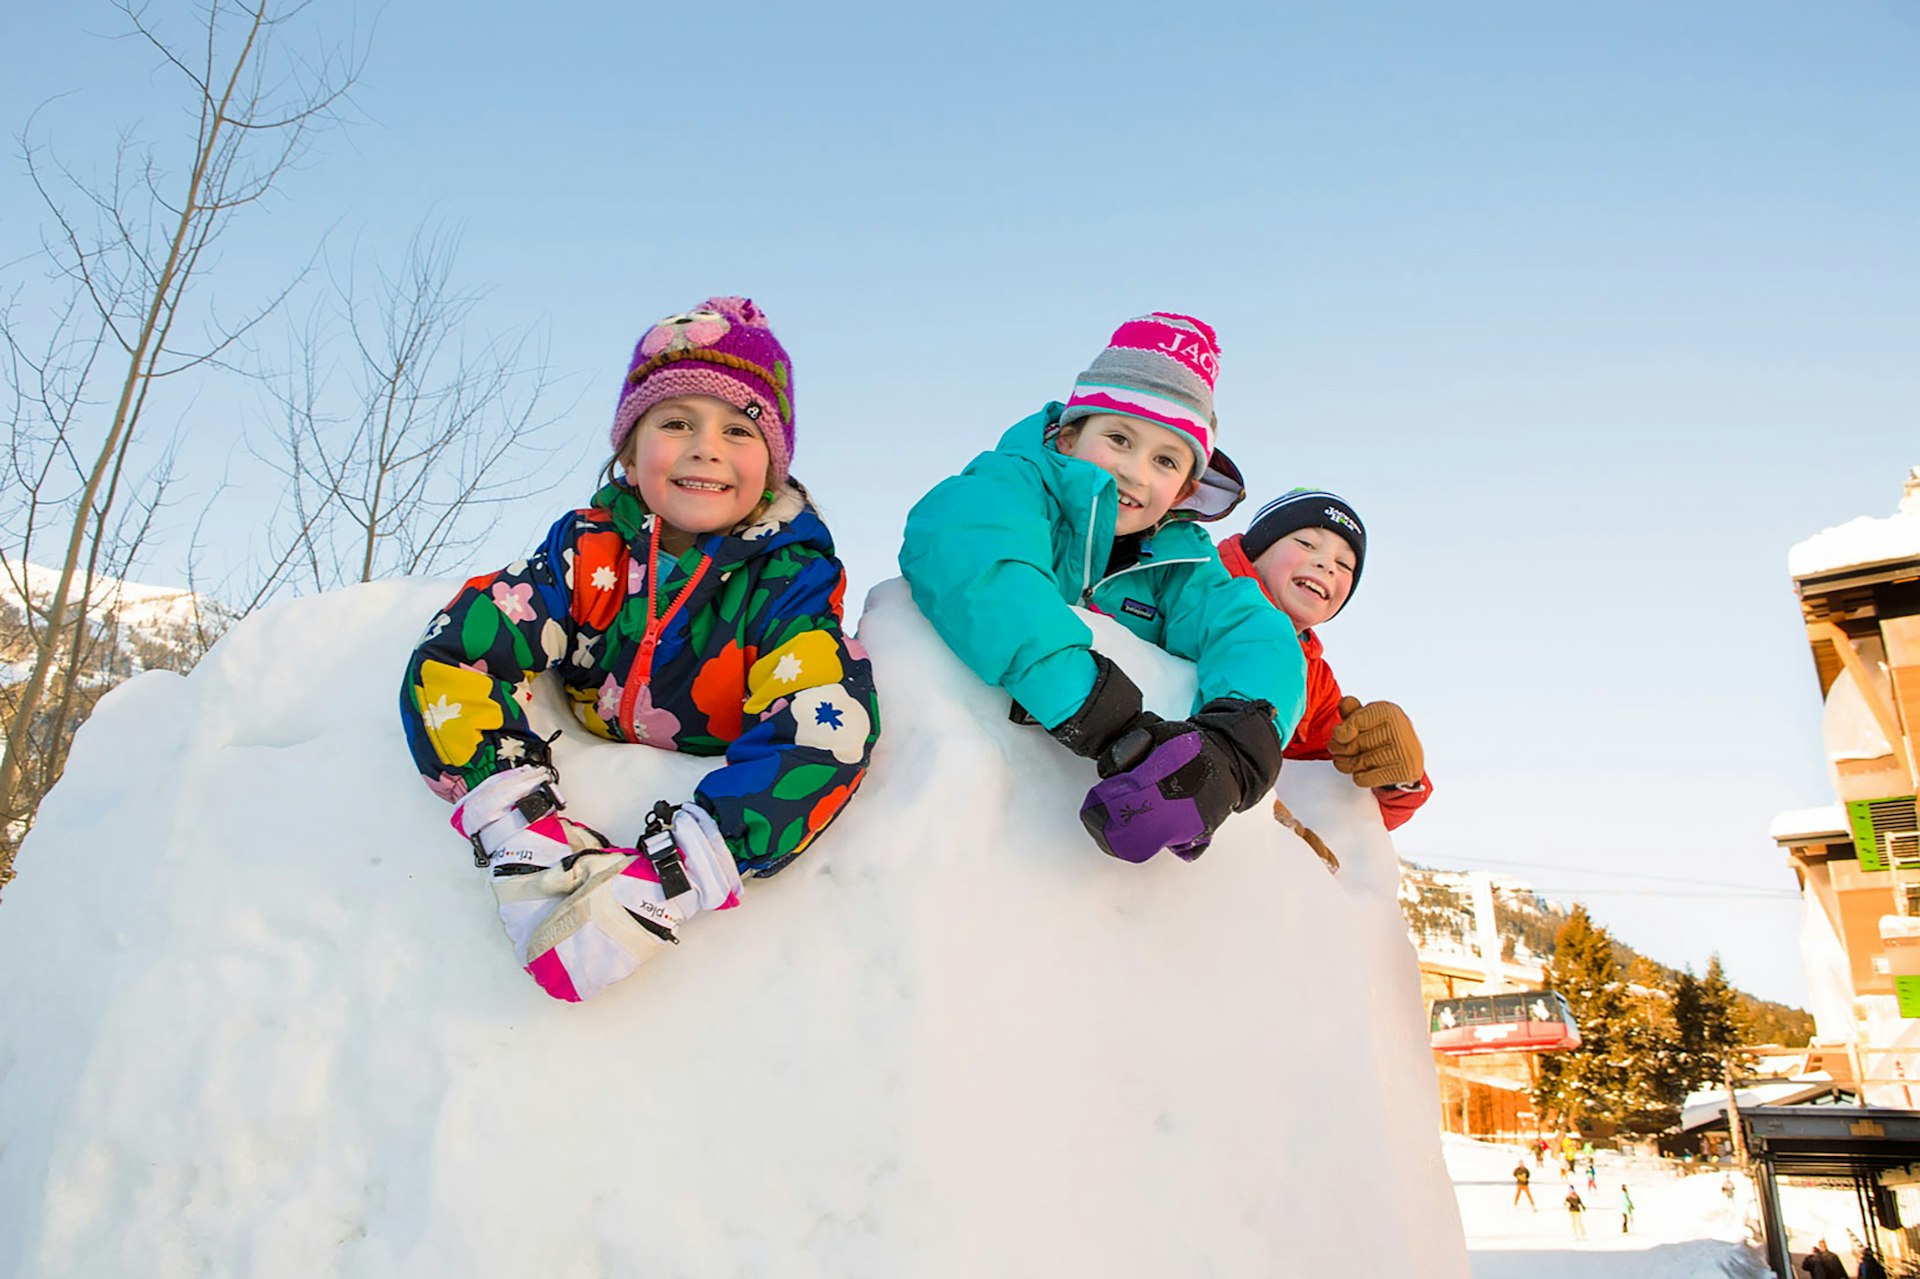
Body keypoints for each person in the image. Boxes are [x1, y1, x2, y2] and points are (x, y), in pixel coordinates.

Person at [400, 297, 879, 1002]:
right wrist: (518, 825)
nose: (705, 447)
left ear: (774, 464)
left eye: (738, 429)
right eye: (676, 421)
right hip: (552, 801)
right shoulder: (587, 551)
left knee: (836, 718)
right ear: (629, 446)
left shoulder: (786, 580)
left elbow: (821, 721)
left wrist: (675, 868)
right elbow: (462, 653)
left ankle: (665, 879)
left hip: (706, 807)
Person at [899, 313, 1305, 863]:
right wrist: (1110, 722)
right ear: (1068, 435)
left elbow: (1255, 631)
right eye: (1118, 438)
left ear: (1186, 488)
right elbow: (980, 564)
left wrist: (1235, 745)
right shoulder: (1012, 486)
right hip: (947, 800)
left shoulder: (1181, 564)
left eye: (1165, 459)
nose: (1136, 472)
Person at [1217, 489, 1433, 830]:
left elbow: (1344, 810)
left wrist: (1399, 778)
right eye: (1306, 543)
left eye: (1344, 564)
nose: (1325, 564)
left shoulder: (1313, 680)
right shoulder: (1193, 588)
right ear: (1256, 551)